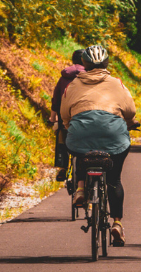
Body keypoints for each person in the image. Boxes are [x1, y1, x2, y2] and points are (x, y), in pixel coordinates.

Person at [60, 45, 137, 246]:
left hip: (79, 134)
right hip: (114, 136)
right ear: (106, 63)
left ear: (84, 64)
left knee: (80, 152)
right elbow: (130, 110)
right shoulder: (116, 83)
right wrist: (128, 123)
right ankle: (117, 224)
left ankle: (81, 189)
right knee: (114, 179)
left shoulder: (73, 84)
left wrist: (71, 127)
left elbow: (64, 114)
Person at [50, 49, 85, 182]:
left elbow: (56, 100)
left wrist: (53, 117)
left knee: (61, 134)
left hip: (66, 117)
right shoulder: (90, 76)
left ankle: (62, 167)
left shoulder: (64, 77)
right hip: (86, 115)